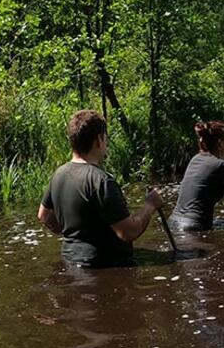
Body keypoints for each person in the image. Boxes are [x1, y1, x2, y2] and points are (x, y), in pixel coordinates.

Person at [37, 110, 164, 268]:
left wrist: (75, 237)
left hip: (70, 261)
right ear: (99, 139)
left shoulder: (59, 174)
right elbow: (128, 232)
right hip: (104, 267)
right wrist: (150, 205)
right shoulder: (101, 181)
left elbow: (43, 215)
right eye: (105, 138)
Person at [169, 121, 224, 231]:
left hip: (173, 224)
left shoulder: (196, 159)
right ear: (220, 143)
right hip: (194, 227)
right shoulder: (221, 165)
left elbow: (208, 186)